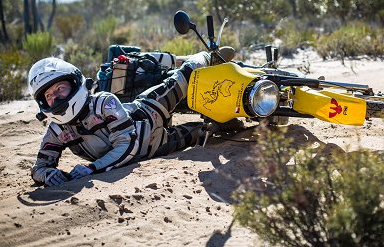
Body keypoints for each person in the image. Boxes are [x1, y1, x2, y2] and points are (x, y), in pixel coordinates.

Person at [28, 49, 233, 187]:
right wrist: (47, 175)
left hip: (149, 112)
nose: (55, 97)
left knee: (183, 77)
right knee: (205, 129)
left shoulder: (103, 102)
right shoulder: (57, 130)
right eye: (49, 96)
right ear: (43, 104)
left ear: (74, 83)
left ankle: (208, 56)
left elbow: (127, 145)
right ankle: (230, 119)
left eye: (60, 89)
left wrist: (93, 168)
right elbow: (39, 167)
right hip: (156, 148)